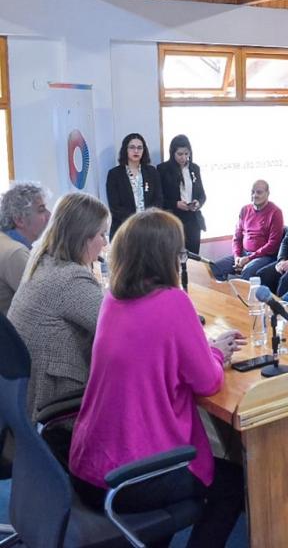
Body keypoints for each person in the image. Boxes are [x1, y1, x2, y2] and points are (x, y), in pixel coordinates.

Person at [69, 209, 246, 546]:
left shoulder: (112, 299)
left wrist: (200, 346)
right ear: (164, 257)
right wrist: (216, 352)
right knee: (233, 484)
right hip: (128, 477)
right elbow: (208, 382)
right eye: (179, 252)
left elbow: (153, 353)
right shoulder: (173, 302)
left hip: (86, 464)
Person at [8, 192, 108, 419]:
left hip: (32, 401)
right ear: (83, 237)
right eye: (101, 234)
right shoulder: (69, 278)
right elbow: (119, 330)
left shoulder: (45, 262)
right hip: (59, 408)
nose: (104, 242)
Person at [207, 180, 284, 281]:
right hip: (243, 254)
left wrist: (249, 258)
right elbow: (237, 238)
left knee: (248, 271)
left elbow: (273, 244)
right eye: (252, 192)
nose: (255, 195)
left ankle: (242, 296)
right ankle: (225, 296)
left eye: (259, 192)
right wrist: (237, 257)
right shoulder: (245, 209)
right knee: (213, 269)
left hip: (264, 257)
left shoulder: (275, 212)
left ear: (267, 193)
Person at [0, 182, 50, 314]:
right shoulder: (15, 252)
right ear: (19, 220)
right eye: (41, 210)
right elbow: (46, 304)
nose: (49, 215)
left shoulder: (5, 241)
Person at [106, 133, 163, 238]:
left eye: (139, 148)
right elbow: (114, 206)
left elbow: (158, 199)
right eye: (132, 147)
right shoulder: (114, 174)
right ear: (125, 150)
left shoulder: (152, 172)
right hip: (124, 228)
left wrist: (147, 217)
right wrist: (136, 219)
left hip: (149, 227)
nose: (136, 151)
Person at [157, 134, 206, 253]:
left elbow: (202, 195)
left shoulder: (194, 168)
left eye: (186, 154)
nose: (183, 157)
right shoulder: (163, 169)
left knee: (193, 257)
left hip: (193, 220)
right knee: (174, 256)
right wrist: (175, 204)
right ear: (172, 153)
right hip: (173, 219)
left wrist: (197, 203)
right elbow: (159, 198)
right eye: (179, 154)